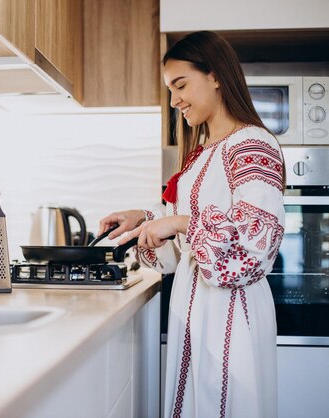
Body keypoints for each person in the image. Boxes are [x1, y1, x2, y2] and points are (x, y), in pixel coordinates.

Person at [99, 31, 285, 418]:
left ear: (216, 75)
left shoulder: (251, 144)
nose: (174, 100)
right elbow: (183, 245)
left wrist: (179, 221)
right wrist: (147, 220)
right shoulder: (201, 155)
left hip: (232, 312)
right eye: (170, 89)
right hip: (197, 307)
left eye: (180, 85)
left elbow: (257, 243)